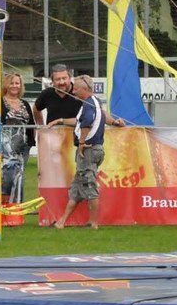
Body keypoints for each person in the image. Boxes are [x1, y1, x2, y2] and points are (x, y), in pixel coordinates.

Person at [48, 75, 125, 229]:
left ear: (85, 89)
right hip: (93, 150)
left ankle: (93, 223)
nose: (73, 91)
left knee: (89, 185)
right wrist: (60, 120)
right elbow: (85, 120)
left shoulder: (89, 105)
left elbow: (87, 123)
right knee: (77, 187)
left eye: (76, 88)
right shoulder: (94, 102)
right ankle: (62, 222)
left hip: (88, 150)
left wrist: (82, 143)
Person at [0, 72, 35, 158]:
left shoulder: (25, 104)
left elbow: (31, 124)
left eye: (17, 83)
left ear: (21, 86)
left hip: (23, 147)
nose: (14, 86)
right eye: (11, 83)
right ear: (6, 85)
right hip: (3, 147)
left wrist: (30, 143)